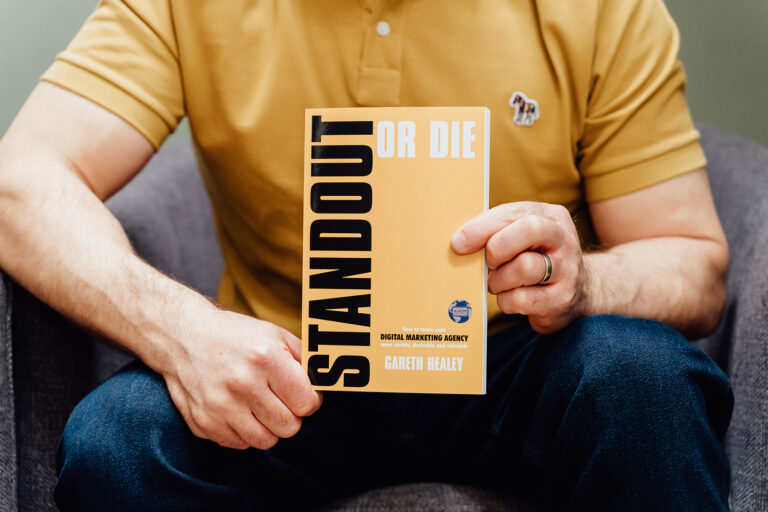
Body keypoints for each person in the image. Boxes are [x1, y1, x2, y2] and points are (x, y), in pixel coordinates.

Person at [0, 0, 734, 510]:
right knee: (116, 444)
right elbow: (19, 185)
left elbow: (697, 267)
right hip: (289, 377)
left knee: (643, 378)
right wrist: (183, 335)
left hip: (514, 361)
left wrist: (583, 280)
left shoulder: (598, 11)